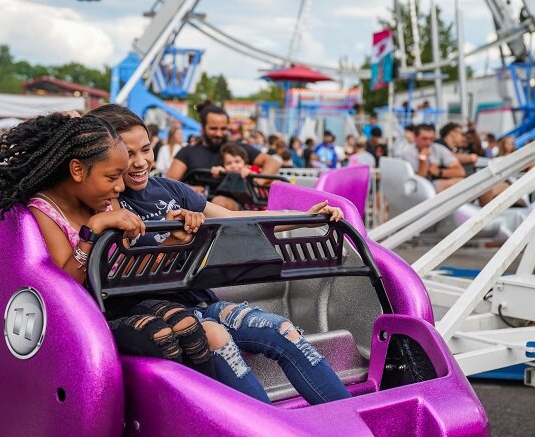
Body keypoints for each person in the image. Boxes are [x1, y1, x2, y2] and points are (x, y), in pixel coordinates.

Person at [88, 103, 352, 405]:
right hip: (156, 317)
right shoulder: (105, 202)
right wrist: (173, 241)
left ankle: (351, 424)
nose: (139, 162)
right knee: (220, 343)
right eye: (128, 154)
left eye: (145, 150)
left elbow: (233, 218)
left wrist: (302, 216)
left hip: (198, 301)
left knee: (283, 330)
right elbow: (117, 274)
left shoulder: (169, 190)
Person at [0, 112, 232, 386]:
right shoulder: (43, 210)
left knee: (187, 325)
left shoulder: (107, 200)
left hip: (123, 300)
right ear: (77, 170)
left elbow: (126, 269)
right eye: (113, 177)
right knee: (159, 336)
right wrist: (91, 233)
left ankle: (206, 409)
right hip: (86, 315)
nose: (120, 186)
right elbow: (67, 287)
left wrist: (173, 242)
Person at [168, 102, 280, 209]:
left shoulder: (238, 149)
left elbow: (272, 163)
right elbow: (169, 183)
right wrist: (189, 189)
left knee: (220, 202)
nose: (219, 133)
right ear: (202, 127)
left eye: (223, 129)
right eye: (213, 128)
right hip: (195, 207)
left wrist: (255, 183)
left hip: (233, 208)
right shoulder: (188, 152)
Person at [400, 123, 465, 192]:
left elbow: (461, 172)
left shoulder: (438, 148)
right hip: (417, 187)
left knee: (461, 182)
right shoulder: (408, 152)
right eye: (424, 139)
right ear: (415, 137)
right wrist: (422, 159)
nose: (428, 143)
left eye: (431, 139)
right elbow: (420, 180)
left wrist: (439, 172)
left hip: (436, 182)